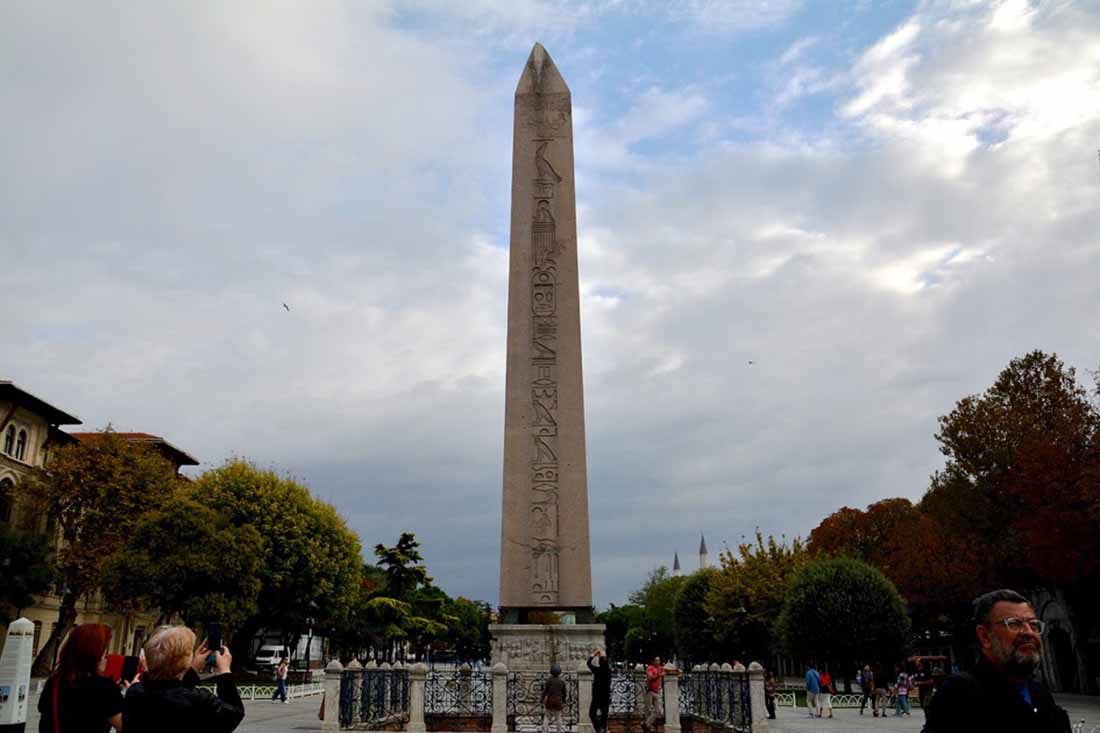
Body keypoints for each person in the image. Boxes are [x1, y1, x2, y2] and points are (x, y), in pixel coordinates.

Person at [922, 589, 1071, 733]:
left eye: (1033, 624)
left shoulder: (1039, 694)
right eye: (1014, 624)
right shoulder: (960, 694)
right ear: (985, 636)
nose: (1029, 632)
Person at [123, 625, 245, 733]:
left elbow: (172, 691)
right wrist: (224, 672)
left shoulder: (134, 692)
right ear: (185, 663)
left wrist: (193, 670)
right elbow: (234, 713)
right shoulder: (199, 700)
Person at [38, 623, 124, 733]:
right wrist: (134, 692)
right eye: (104, 652)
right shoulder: (106, 688)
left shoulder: (54, 682)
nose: (105, 658)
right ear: (95, 655)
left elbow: (45, 724)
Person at [587, 649, 610, 733]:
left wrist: (594, 654)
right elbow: (606, 663)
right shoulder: (609, 671)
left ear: (600, 663)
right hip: (605, 697)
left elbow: (588, 663)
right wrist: (603, 656)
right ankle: (603, 729)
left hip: (597, 697)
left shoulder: (597, 670)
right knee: (604, 715)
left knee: (592, 714)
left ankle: (598, 729)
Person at [542, 663, 566, 733]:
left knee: (547, 717)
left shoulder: (549, 681)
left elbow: (545, 691)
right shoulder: (561, 682)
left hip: (549, 701)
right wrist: (563, 700)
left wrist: (542, 699)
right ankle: (559, 731)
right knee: (558, 717)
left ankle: (545, 731)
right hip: (558, 701)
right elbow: (564, 693)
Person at [643, 656, 664, 732]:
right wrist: (659, 675)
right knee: (648, 710)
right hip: (649, 691)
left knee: (658, 711)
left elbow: (667, 670)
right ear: (653, 661)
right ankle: (648, 726)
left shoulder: (660, 668)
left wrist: (676, 670)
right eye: (657, 660)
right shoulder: (650, 668)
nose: (658, 662)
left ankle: (646, 724)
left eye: (659, 660)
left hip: (656, 692)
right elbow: (650, 678)